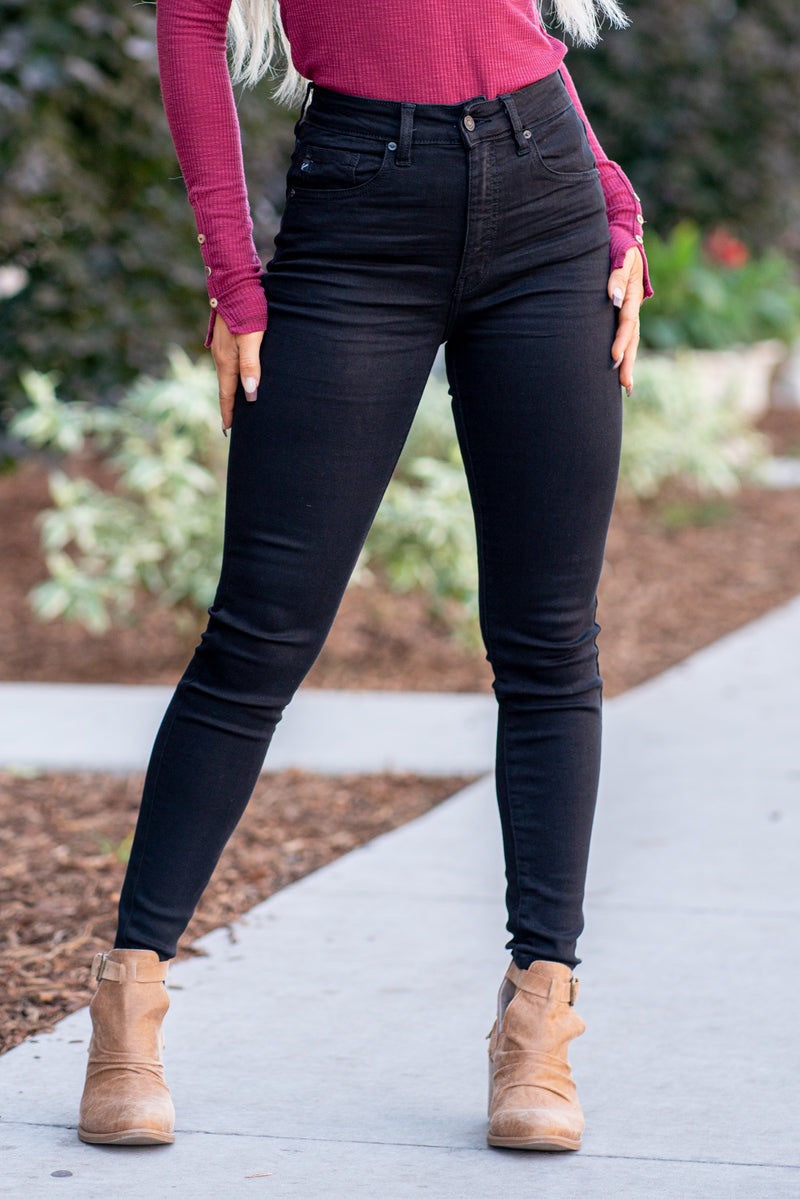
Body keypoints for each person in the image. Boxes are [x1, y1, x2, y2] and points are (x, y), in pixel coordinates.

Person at [76, 0, 651, 1152]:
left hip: (546, 198)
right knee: (259, 631)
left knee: (548, 637)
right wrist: (232, 276)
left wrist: (608, 193)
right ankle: (128, 1001)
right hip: (357, 209)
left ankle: (538, 1018)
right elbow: (189, 22)